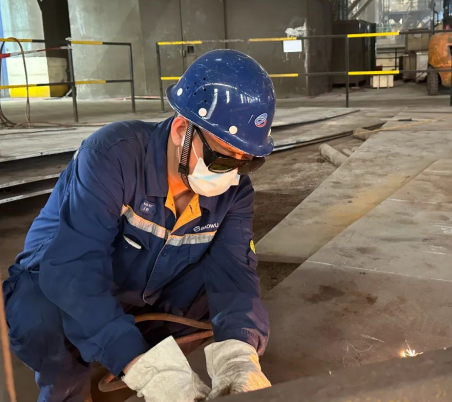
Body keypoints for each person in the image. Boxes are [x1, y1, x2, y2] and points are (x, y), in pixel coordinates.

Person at [3, 49, 275, 402]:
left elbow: (234, 273)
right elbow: (74, 268)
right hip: (63, 276)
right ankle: (72, 387)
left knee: (229, 296)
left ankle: (135, 346)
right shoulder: (112, 156)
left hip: (149, 287)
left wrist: (239, 355)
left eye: (247, 162)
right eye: (222, 158)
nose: (232, 174)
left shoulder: (235, 192)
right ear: (182, 130)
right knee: (41, 317)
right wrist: (149, 369)